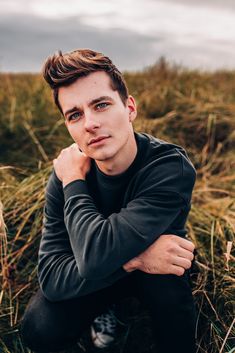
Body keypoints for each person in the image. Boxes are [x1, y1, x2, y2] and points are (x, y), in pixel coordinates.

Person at [20, 49, 197, 353]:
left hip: (155, 271)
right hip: (128, 263)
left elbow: (94, 259)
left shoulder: (169, 167)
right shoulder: (66, 172)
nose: (89, 123)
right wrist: (135, 258)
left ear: (129, 108)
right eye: (74, 115)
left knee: (173, 308)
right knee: (38, 327)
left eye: (101, 105)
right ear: (68, 126)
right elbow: (51, 276)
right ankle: (108, 305)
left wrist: (74, 183)